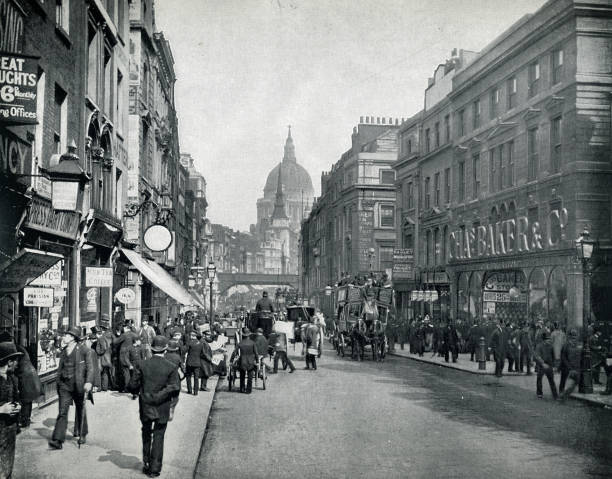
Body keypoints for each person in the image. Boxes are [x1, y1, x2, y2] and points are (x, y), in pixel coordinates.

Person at [128, 335, 180, 478]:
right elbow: (175, 387)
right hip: (162, 406)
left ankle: (146, 462)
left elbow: (132, 385)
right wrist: (165, 398)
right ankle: (155, 469)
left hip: (146, 404)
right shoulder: (171, 367)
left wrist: (138, 391)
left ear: (151, 349)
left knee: (146, 432)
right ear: (165, 350)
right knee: (159, 435)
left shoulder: (142, 365)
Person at [49, 326, 94, 449]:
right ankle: (58, 440)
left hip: (79, 384)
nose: (65, 337)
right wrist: (59, 382)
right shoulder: (64, 351)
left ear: (74, 338)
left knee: (81, 409)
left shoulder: (84, 350)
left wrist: (89, 382)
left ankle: (82, 433)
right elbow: (60, 368)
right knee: (62, 411)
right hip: (65, 385)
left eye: (68, 335)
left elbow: (90, 368)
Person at [0, 342, 22, 479]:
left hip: (10, 429)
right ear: (9, 362)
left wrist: (17, 406)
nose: (17, 364)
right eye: (15, 361)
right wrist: (1, 409)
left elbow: (16, 398)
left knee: (8, 465)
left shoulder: (12, 378)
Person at [534, 330, 558, 400]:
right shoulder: (539, 346)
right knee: (539, 379)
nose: (550, 341)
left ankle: (555, 395)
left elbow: (553, 356)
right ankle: (539, 393)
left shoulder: (551, 346)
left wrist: (555, 366)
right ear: (544, 340)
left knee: (551, 380)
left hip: (549, 365)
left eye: (550, 339)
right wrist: (542, 363)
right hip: (542, 366)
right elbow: (537, 356)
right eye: (548, 339)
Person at [559, 329, 582, 399]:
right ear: (570, 336)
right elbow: (563, 357)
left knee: (576, 381)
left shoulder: (579, 344)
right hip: (567, 366)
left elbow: (580, 355)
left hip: (576, 366)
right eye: (572, 336)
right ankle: (561, 392)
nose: (574, 338)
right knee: (563, 379)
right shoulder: (566, 345)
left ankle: (565, 393)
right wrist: (568, 366)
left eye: (575, 336)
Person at [236, 328, 257, 394]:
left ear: (243, 335)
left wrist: (231, 360)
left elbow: (234, 352)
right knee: (250, 377)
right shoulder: (252, 343)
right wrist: (258, 361)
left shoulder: (240, 343)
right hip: (250, 361)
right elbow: (256, 353)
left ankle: (242, 389)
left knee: (242, 376)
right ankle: (248, 390)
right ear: (249, 335)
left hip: (242, 361)